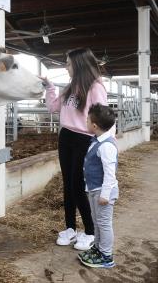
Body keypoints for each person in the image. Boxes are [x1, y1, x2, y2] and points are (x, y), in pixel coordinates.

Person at [40, 48, 109, 251]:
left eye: (68, 63)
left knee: (78, 186)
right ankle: (70, 228)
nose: (66, 66)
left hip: (84, 139)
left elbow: (103, 118)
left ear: (78, 65)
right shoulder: (70, 87)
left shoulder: (95, 88)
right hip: (66, 137)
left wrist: (106, 144)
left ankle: (89, 231)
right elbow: (53, 107)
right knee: (68, 184)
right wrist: (50, 86)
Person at [78, 103, 118, 268]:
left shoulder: (107, 145)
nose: (85, 122)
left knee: (104, 223)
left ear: (94, 125)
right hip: (95, 189)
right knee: (97, 221)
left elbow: (110, 173)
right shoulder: (96, 141)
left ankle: (106, 255)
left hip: (103, 192)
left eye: (87, 120)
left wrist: (105, 194)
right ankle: (98, 248)